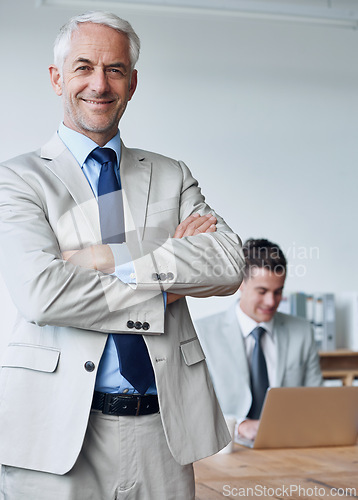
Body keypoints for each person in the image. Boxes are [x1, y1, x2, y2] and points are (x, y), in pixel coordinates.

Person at [0, 11, 245, 500]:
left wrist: (100, 260)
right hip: (58, 434)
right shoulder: (19, 179)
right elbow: (43, 295)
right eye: (84, 67)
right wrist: (163, 285)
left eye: (115, 70)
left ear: (132, 83)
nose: (99, 83)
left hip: (164, 432)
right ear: (57, 78)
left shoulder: (172, 174)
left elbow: (227, 263)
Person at [195, 238, 323, 442]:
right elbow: (194, 407)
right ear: (240, 283)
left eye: (278, 292)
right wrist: (239, 425)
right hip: (227, 447)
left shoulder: (302, 331)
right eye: (262, 291)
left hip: (289, 443)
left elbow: (317, 400)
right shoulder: (202, 333)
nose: (271, 302)